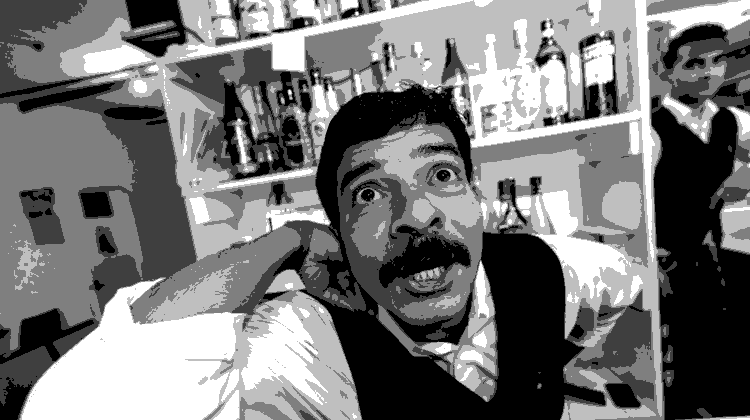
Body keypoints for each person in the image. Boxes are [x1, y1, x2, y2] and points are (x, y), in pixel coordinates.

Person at [20, 85, 644, 420]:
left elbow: (625, 285)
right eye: (369, 194)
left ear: (477, 197)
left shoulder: (553, 270)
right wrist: (285, 242)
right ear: (339, 233)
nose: (415, 214)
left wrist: (555, 358)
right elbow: (74, 408)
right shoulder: (308, 346)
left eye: (442, 175)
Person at [651, 23, 750, 419]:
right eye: (694, 64)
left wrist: (734, 185)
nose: (708, 72)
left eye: (717, 61)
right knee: (681, 365)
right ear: (669, 71)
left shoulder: (730, 121)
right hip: (670, 264)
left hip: (714, 255)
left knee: (723, 352)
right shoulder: (653, 129)